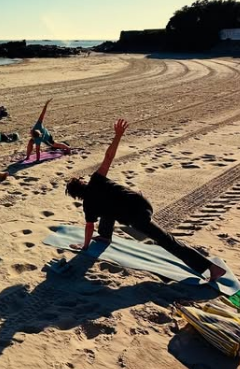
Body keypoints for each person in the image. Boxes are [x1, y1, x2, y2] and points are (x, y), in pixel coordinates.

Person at [65, 119, 226, 281]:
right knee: (108, 209)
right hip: (140, 202)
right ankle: (105, 236)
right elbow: (108, 157)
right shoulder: (96, 180)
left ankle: (211, 267)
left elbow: (89, 227)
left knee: (166, 241)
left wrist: (85, 246)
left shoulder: (88, 206)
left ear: (77, 196)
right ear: (83, 183)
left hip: (137, 215)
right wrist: (118, 135)